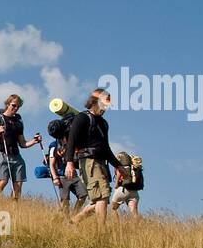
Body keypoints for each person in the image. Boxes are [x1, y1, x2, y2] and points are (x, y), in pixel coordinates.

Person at [64, 89, 128, 224]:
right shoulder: (82, 118)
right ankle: (101, 234)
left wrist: (118, 166)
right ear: (94, 102)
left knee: (97, 201)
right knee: (102, 197)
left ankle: (72, 223)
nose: (105, 108)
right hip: (89, 162)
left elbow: (106, 148)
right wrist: (69, 163)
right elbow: (71, 140)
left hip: (101, 163)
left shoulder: (103, 124)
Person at [0, 94, 42, 204]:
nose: (16, 108)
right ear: (7, 104)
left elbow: (23, 143)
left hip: (16, 154)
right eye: (14, 105)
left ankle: (14, 209)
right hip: (1, 152)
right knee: (3, 181)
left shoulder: (18, 122)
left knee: (18, 184)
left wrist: (34, 141)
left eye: (18, 107)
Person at [47, 136, 87, 213]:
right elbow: (51, 164)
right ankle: (65, 220)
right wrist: (55, 178)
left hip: (73, 175)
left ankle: (74, 216)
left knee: (83, 195)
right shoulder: (53, 145)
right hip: (61, 175)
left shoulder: (72, 143)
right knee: (65, 201)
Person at [110, 152, 143, 217]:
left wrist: (116, 185)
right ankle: (137, 226)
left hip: (123, 189)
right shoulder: (133, 168)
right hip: (134, 192)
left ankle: (116, 226)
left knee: (113, 208)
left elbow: (119, 173)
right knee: (134, 212)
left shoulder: (121, 166)